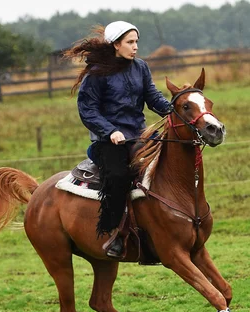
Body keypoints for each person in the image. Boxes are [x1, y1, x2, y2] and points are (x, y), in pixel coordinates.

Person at [65, 21, 172, 259]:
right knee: (119, 176)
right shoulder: (96, 74)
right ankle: (115, 234)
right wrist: (110, 130)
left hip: (139, 134)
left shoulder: (141, 67)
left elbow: (152, 96)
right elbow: (88, 110)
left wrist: (171, 111)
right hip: (108, 141)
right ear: (116, 45)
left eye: (136, 42)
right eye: (130, 42)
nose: (135, 47)